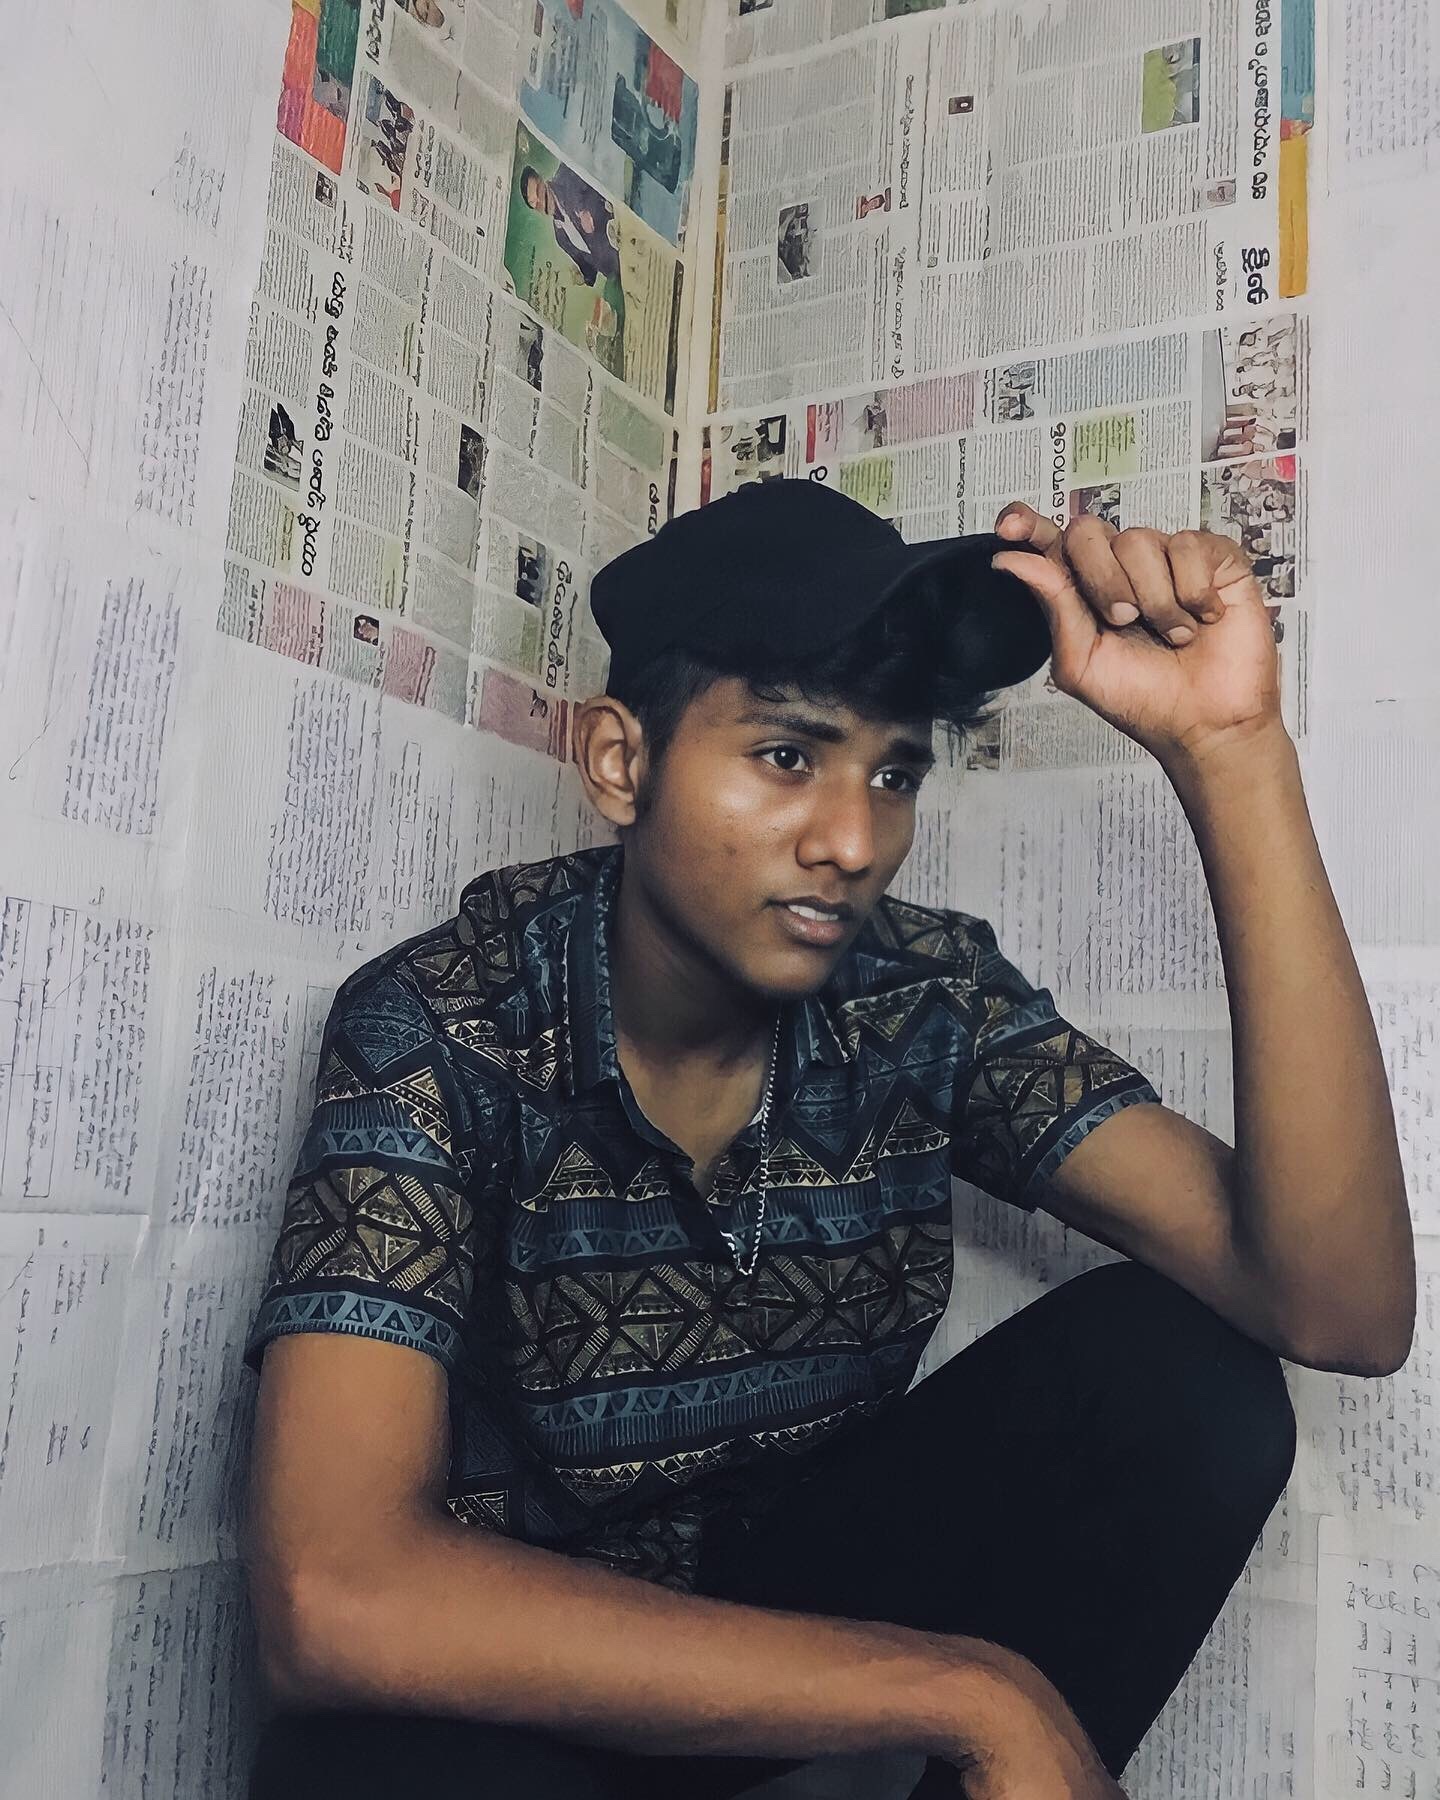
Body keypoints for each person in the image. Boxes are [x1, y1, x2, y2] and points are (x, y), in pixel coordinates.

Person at [242, 481, 1416, 1800]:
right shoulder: (444, 1024)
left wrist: (1232, 750)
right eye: (788, 758)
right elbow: (330, 1594)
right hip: (533, 1677)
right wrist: (970, 1696)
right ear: (622, 763)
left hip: (794, 1606)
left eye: (894, 774)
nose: (853, 843)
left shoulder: (921, 999)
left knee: (1188, 1379)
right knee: (362, 1768)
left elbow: (1339, 1309)